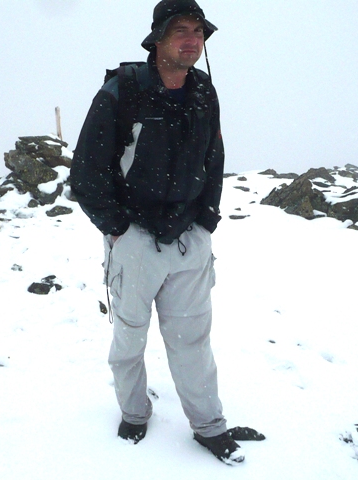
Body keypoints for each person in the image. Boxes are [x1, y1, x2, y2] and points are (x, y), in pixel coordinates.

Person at [70, 0, 244, 465]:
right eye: (181, 31)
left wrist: (207, 221)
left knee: (193, 342)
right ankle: (133, 414)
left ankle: (209, 427)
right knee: (129, 337)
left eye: (199, 32)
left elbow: (215, 159)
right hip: (135, 240)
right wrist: (118, 230)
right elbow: (86, 174)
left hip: (189, 239)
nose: (193, 40)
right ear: (157, 40)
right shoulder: (121, 93)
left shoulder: (204, 91)